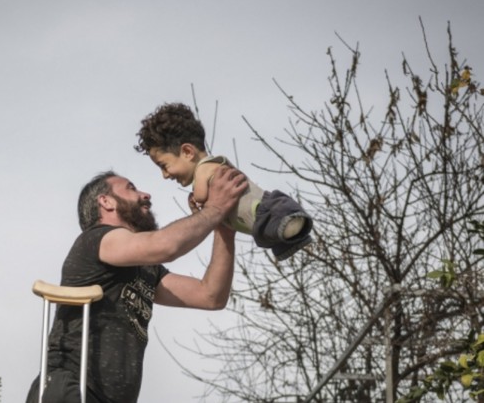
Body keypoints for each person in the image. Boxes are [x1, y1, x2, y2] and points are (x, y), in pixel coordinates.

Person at [25, 166, 248, 403]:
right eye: (131, 188)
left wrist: (224, 228)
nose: (145, 195)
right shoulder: (97, 239)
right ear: (106, 202)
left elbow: (211, 295)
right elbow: (166, 246)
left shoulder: (146, 270)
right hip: (72, 389)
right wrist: (215, 208)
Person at [135, 102, 313, 261]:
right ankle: (293, 235)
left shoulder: (205, 168)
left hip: (263, 210)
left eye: (164, 165)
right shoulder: (215, 166)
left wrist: (197, 206)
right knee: (274, 232)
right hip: (259, 221)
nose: (165, 175)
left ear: (188, 152)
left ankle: (291, 225)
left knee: (274, 221)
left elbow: (201, 196)